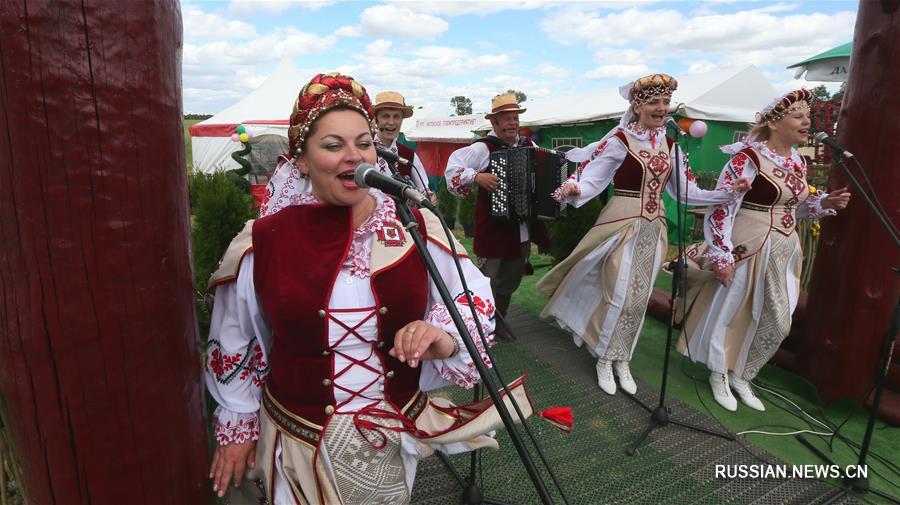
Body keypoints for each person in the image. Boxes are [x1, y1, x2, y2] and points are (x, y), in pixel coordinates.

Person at [204, 72, 522, 505]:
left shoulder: (415, 225)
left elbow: (473, 295)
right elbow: (236, 336)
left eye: (364, 143)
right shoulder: (263, 240)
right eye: (333, 146)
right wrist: (237, 426)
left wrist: (443, 337)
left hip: (391, 434)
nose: (354, 157)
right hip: (300, 438)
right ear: (301, 160)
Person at [536, 74, 750, 396]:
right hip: (622, 222)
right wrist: (574, 188)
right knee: (619, 290)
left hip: (654, 228)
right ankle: (605, 357)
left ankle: (622, 357)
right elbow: (595, 178)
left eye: (665, 102)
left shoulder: (671, 144)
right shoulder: (620, 140)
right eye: (654, 102)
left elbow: (686, 192)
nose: (662, 108)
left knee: (639, 296)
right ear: (637, 106)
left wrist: (725, 194)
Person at [678, 89, 850, 412]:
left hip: (785, 247)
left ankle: (744, 373)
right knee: (733, 308)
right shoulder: (748, 158)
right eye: (798, 115)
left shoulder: (797, 161)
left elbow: (794, 206)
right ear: (774, 123)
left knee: (779, 318)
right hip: (749, 240)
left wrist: (824, 202)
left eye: (807, 116)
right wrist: (721, 253)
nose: (806, 121)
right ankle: (719, 372)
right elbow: (722, 206)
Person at [445, 92, 550, 340]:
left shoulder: (528, 146)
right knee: (487, 279)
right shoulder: (484, 148)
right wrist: (477, 176)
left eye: (515, 118)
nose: (512, 123)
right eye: (506, 119)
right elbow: (453, 169)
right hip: (492, 227)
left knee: (510, 279)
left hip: (520, 227)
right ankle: (478, 324)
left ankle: (497, 320)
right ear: (495, 123)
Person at [372, 91, 433, 197]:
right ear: (376, 120)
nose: (391, 122)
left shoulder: (408, 154)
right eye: (385, 116)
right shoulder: (363, 149)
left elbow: (424, 189)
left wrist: (429, 196)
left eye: (396, 116)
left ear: (401, 120)